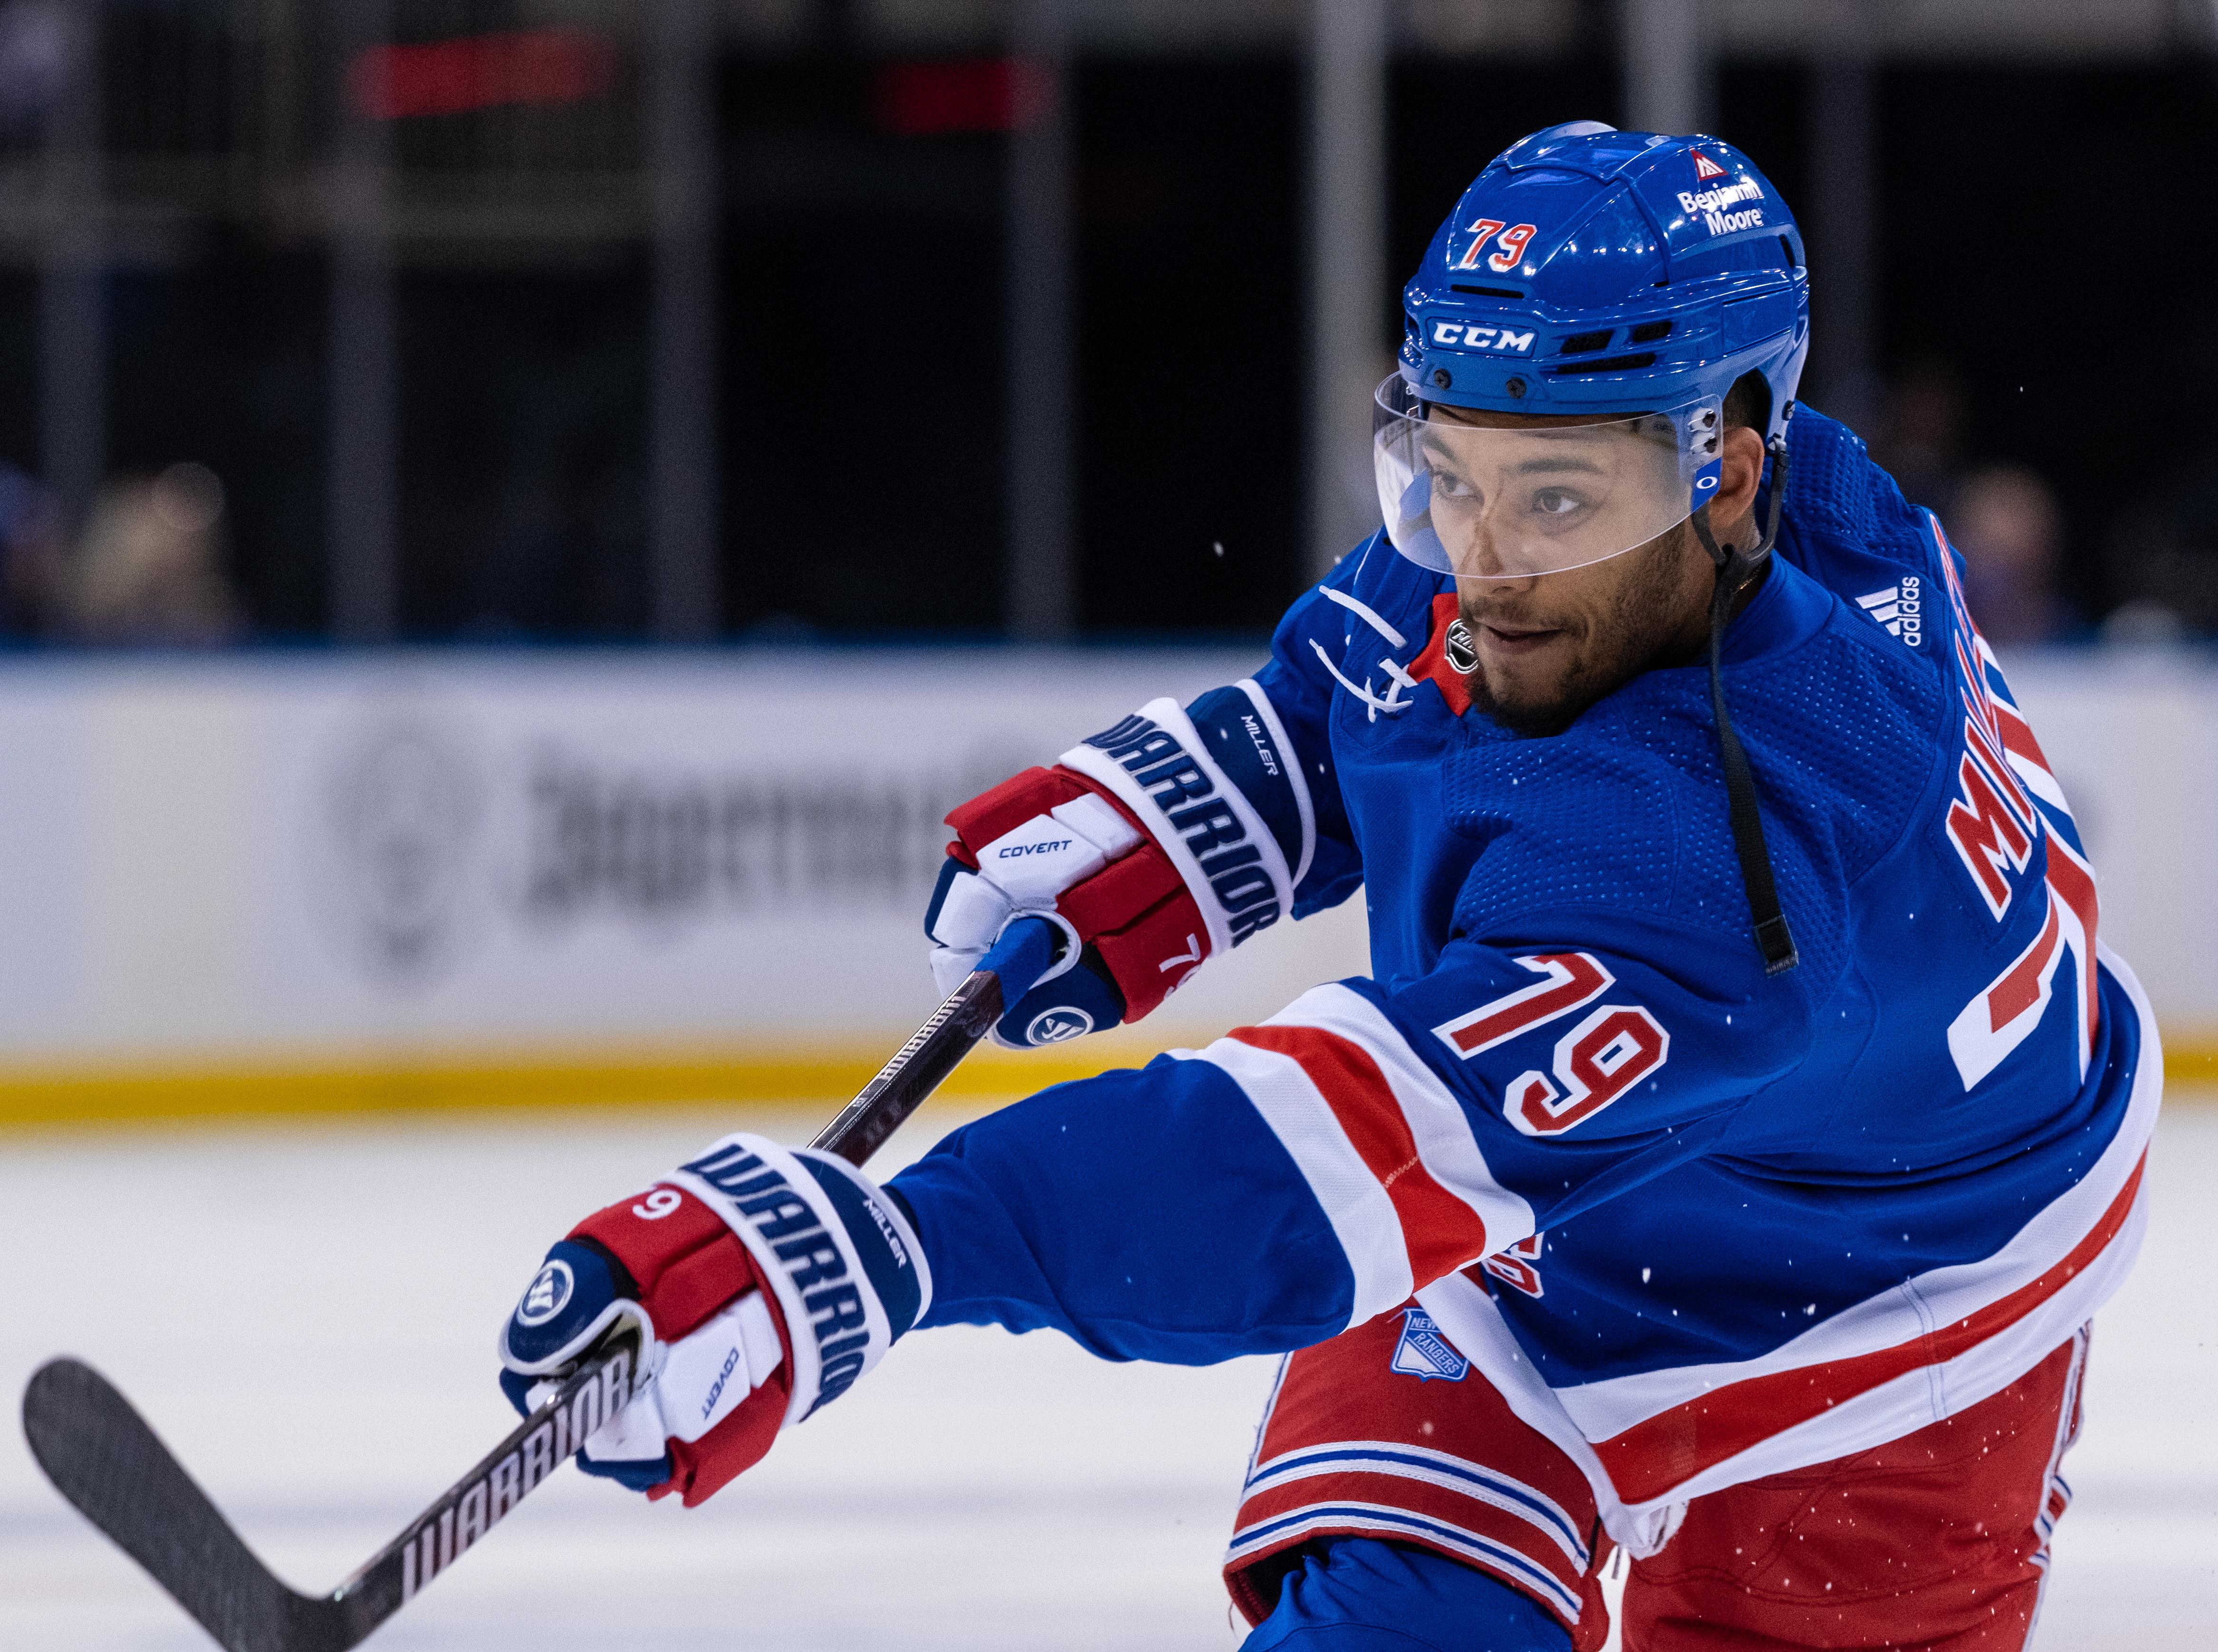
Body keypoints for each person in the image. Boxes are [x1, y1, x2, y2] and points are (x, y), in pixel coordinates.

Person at [495, 123, 2153, 1650]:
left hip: (1905, 1300)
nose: (1485, 561)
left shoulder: (1732, 875)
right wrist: (1222, 802)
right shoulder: (1791, 494)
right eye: (1449, 472)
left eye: (1558, 499)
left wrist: (901, 1246)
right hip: (1583, 1202)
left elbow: (1318, 1164)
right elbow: (1398, 669)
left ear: (1723, 465)